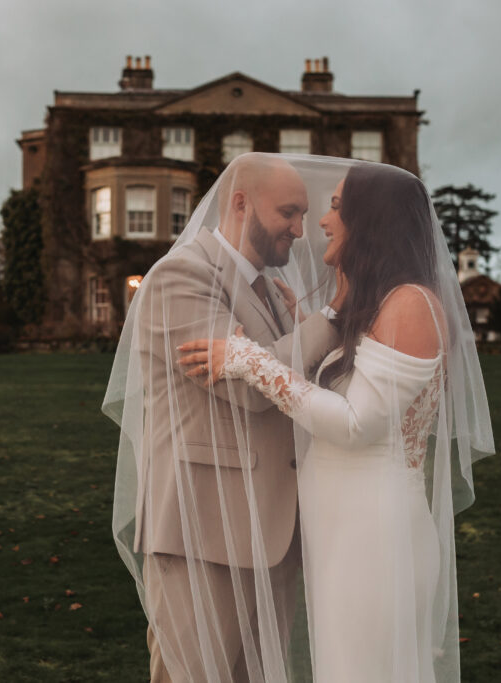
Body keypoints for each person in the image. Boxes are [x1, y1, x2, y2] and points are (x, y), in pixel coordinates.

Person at [177, 160, 496, 682]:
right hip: (345, 532)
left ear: (370, 220)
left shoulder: (412, 304)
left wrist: (249, 361)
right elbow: (357, 382)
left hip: (375, 537)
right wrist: (315, 322)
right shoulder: (384, 305)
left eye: (334, 206)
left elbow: (355, 424)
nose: (322, 221)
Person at [102, 153, 341, 682]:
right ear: (240, 203)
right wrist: (332, 319)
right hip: (201, 529)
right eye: (288, 213)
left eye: (304, 215)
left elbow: (295, 380)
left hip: (273, 530)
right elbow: (251, 389)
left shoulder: (270, 289)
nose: (301, 231)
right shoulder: (179, 277)